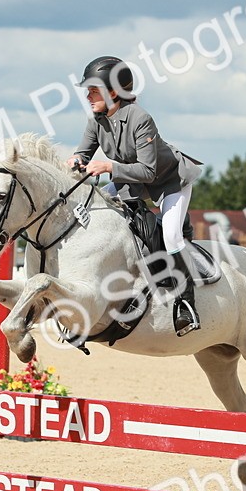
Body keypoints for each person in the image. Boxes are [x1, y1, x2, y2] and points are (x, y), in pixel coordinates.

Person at [64, 55, 204, 336]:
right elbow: (83, 152)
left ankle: (185, 305)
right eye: (88, 91)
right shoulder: (97, 120)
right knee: (97, 210)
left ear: (113, 92)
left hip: (168, 182)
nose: (89, 96)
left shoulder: (140, 118)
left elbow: (149, 172)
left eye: (94, 90)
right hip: (131, 183)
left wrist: (108, 166)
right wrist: (75, 160)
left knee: (171, 237)